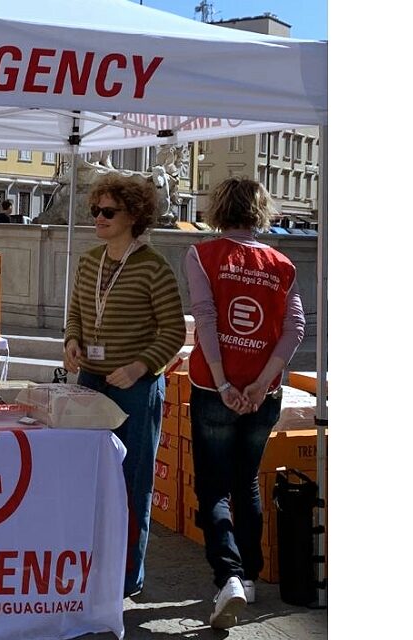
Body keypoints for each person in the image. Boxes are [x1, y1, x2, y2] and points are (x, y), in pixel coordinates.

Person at [184, 177, 305, 629]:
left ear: (218, 209)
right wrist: (261, 383)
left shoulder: (203, 255)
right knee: (246, 482)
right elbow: (295, 330)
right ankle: (249, 576)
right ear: (261, 211)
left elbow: (206, 319)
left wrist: (224, 382)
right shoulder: (281, 263)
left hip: (213, 387)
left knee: (214, 486)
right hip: (263, 392)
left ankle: (229, 575)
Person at [63, 173, 186, 599]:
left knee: (132, 480)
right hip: (92, 380)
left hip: (135, 386)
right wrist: (72, 341)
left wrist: (140, 367)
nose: (98, 217)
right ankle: (92, 565)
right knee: (90, 475)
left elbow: (172, 332)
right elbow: (76, 312)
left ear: (134, 216)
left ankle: (127, 576)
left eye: (108, 211)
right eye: (95, 209)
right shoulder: (89, 260)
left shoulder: (153, 267)